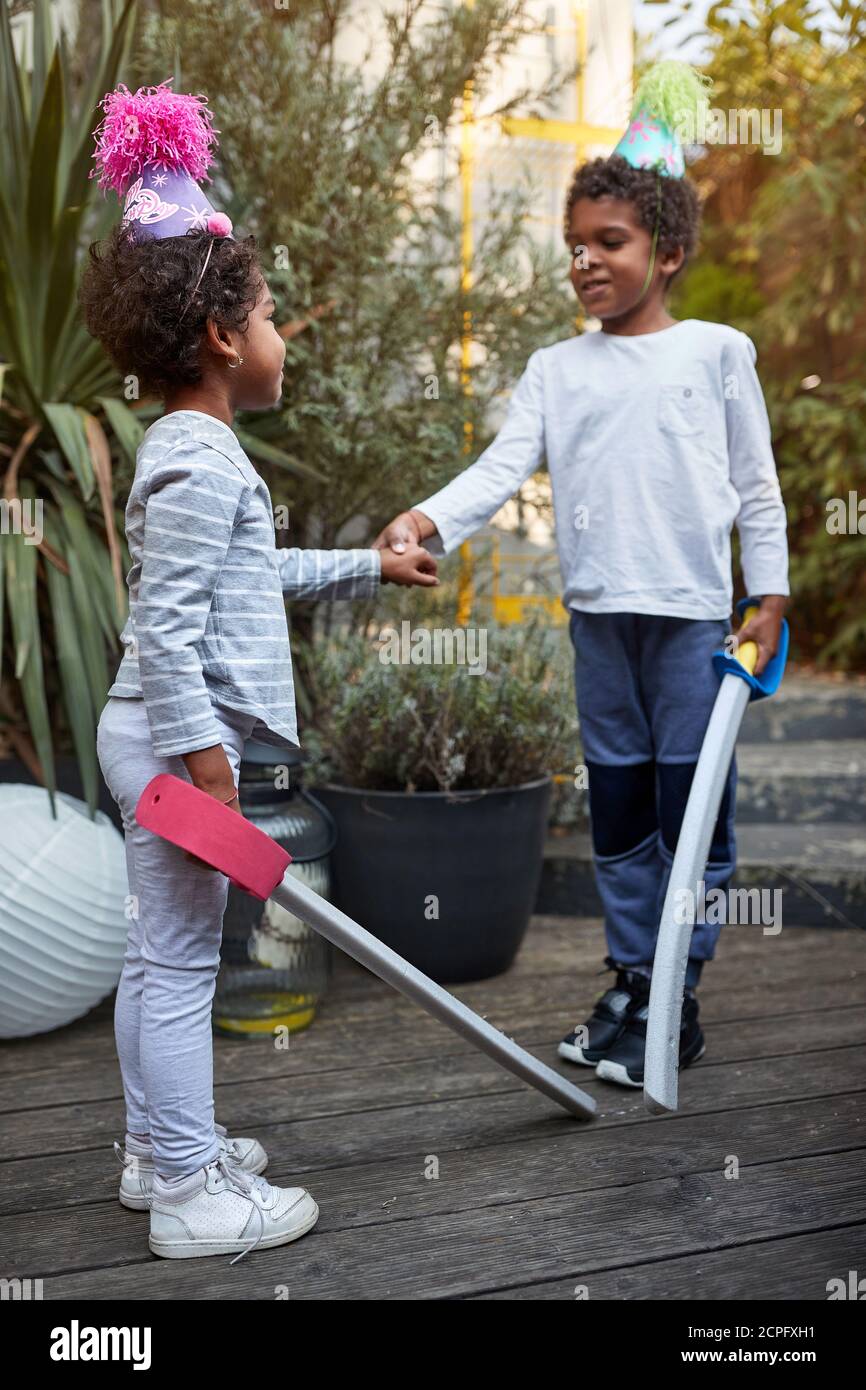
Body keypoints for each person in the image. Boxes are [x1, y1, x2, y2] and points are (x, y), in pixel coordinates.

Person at [373, 62, 789, 1089]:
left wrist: (767, 597)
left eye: (609, 242)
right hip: (600, 626)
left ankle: (670, 995)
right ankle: (630, 976)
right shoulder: (557, 370)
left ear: (668, 250)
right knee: (616, 815)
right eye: (575, 246)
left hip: (697, 628)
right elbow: (497, 467)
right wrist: (426, 516)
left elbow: (756, 486)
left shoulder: (713, 351)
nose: (585, 262)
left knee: (691, 813)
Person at [81, 81, 437, 1262]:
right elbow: (170, 634)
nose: (285, 334)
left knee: (156, 956)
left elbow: (248, 581)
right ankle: (190, 1194)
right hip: (179, 747)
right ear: (226, 336)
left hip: (161, 741)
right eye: (274, 313)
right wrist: (207, 769)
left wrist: (368, 569)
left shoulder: (193, 449)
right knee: (182, 965)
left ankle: (152, 1154)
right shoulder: (195, 455)